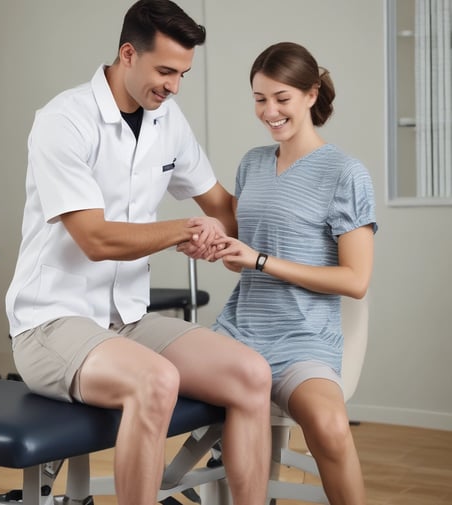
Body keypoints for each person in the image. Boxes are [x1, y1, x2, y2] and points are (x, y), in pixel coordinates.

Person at [5, 2, 272, 505]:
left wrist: (230, 230)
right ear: (128, 54)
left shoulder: (166, 119)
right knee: (156, 380)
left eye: (182, 75)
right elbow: (95, 238)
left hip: (125, 320)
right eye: (166, 71)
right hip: (50, 324)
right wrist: (185, 231)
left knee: (253, 374)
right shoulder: (64, 120)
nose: (173, 87)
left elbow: (221, 207)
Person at [211, 42, 377, 505]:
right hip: (238, 331)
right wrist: (222, 243)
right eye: (260, 99)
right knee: (154, 390)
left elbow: (355, 279)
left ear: (311, 93)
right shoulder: (253, 163)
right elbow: (244, 244)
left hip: (302, 339)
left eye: (281, 98)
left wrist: (261, 261)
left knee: (329, 426)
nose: (269, 111)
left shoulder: (346, 173)